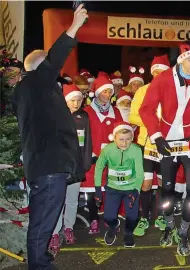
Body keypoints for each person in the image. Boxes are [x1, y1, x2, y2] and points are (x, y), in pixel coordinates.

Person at [12, 5, 87, 269]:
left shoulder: (29, 93)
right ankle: (40, 266)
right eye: (50, 68)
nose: (56, 72)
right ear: (41, 69)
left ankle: (41, 261)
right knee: (43, 224)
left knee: (41, 222)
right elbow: (57, 55)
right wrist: (75, 24)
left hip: (44, 167)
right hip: (51, 168)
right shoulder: (36, 83)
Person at [139, 42, 190, 256]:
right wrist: (156, 136)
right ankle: (168, 226)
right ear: (181, 59)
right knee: (167, 192)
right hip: (167, 142)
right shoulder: (163, 79)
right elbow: (146, 108)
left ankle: (184, 232)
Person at [48, 84, 92, 256]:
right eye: (72, 100)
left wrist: (85, 163)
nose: (76, 104)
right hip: (60, 167)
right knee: (57, 200)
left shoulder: (84, 117)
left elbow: (87, 142)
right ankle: (54, 233)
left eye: (79, 100)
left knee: (72, 200)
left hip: (76, 166)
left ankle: (68, 228)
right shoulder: (55, 116)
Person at [130, 54, 171, 236]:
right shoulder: (142, 91)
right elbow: (133, 116)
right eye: (156, 72)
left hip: (166, 145)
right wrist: (154, 124)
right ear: (152, 73)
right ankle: (144, 218)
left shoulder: (173, 91)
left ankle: (161, 216)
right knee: (146, 184)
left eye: (162, 72)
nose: (159, 76)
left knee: (164, 184)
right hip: (146, 144)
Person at [83, 73, 123, 234]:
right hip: (93, 157)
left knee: (111, 189)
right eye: (104, 91)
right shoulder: (86, 112)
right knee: (92, 189)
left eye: (109, 92)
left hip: (112, 158)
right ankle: (94, 218)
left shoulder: (117, 112)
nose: (107, 95)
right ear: (97, 92)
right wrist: (90, 154)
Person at [94, 122, 144, 248]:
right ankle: (113, 226)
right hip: (113, 188)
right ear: (114, 137)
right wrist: (97, 189)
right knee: (108, 217)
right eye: (121, 139)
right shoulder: (107, 149)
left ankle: (128, 232)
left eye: (128, 139)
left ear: (132, 138)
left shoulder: (136, 150)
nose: (124, 143)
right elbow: (99, 167)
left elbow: (139, 172)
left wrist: (136, 190)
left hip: (130, 189)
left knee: (132, 217)